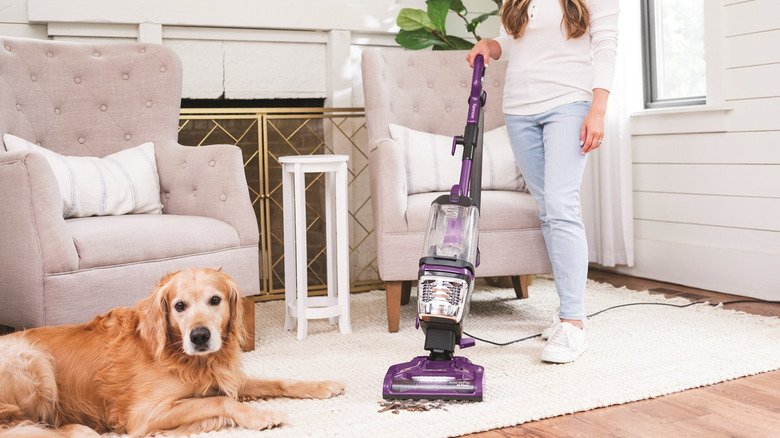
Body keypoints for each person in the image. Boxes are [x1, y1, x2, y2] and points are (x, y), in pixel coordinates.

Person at [467, 0, 619, 363]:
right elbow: (512, 40)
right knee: (549, 210)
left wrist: (597, 111)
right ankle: (567, 311)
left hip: (569, 102)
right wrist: (490, 46)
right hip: (519, 108)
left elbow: (605, 46)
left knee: (562, 205)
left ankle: (573, 323)